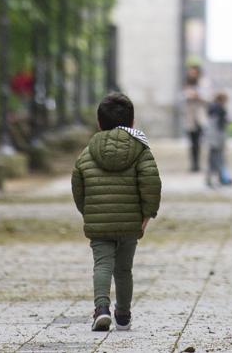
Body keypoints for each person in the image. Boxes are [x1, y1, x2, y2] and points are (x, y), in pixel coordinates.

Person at [71, 92, 162, 332]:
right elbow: (151, 183)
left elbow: (78, 184)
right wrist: (147, 214)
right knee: (124, 269)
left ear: (99, 122)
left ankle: (101, 310)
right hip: (130, 221)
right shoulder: (141, 149)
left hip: (98, 221)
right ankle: (123, 314)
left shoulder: (88, 150)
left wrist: (88, 211)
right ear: (131, 122)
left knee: (102, 265)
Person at [183, 65, 208, 172]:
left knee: (198, 142)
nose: (192, 74)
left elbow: (207, 97)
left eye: (194, 72)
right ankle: (193, 164)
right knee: (192, 142)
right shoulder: (186, 84)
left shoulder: (203, 83)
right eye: (190, 72)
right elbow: (182, 97)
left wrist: (198, 95)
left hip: (199, 117)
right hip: (190, 117)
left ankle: (197, 164)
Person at [205, 91, 232, 187]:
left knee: (213, 160)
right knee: (218, 160)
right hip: (217, 140)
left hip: (213, 140)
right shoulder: (219, 110)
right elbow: (220, 126)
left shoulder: (212, 109)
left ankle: (214, 179)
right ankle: (219, 179)